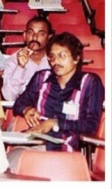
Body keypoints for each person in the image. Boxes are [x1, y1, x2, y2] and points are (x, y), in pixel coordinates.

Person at [7, 32, 104, 172]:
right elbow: (18, 104)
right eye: (52, 57)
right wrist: (26, 109)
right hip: (33, 142)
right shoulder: (42, 77)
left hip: (64, 149)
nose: (55, 61)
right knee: (10, 161)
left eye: (62, 56)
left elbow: (90, 125)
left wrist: (54, 123)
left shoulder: (90, 82)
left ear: (76, 58)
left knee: (18, 163)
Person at [2, 16, 54, 101]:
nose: (34, 37)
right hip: (24, 110)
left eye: (41, 34)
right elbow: (9, 97)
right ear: (25, 36)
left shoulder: (55, 59)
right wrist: (20, 67)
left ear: (49, 37)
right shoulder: (13, 60)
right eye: (30, 32)